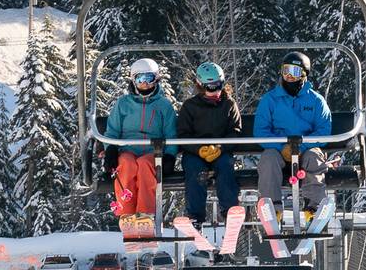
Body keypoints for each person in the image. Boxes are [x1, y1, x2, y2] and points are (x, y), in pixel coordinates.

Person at [254, 51, 332, 211]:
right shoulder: (270, 100)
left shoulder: (316, 100)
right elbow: (261, 131)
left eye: (294, 71)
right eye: (285, 70)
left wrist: (300, 147)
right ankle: (272, 209)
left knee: (314, 158)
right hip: (279, 152)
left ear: (304, 74)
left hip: (306, 149)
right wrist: (282, 147)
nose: (289, 76)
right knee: (268, 159)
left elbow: (323, 131)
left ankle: (314, 207)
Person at [106, 58, 176, 219]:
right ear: (133, 80)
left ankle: (146, 213)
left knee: (145, 165)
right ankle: (127, 213)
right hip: (127, 149)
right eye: (140, 79)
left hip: (153, 150)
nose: (145, 83)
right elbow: (113, 130)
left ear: (156, 79)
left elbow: (171, 134)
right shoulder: (123, 104)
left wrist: (170, 156)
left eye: (149, 78)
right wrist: (110, 149)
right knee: (126, 165)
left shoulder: (164, 105)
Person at [176, 61, 243, 226]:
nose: (215, 91)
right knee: (195, 171)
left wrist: (221, 147)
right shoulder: (190, 106)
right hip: (195, 153)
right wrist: (198, 149)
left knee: (226, 166)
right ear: (200, 85)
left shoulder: (229, 104)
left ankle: (230, 212)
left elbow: (235, 131)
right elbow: (183, 135)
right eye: (210, 87)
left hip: (221, 151)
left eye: (218, 86)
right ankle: (195, 217)